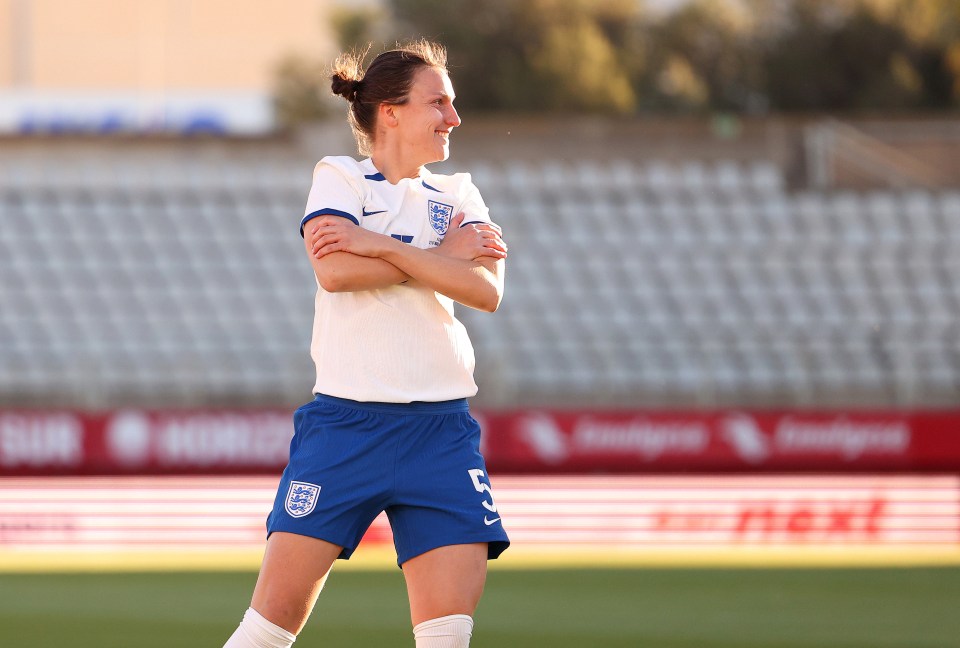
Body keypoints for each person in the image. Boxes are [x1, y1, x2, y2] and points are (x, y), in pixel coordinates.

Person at [223, 39, 510, 648]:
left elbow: (484, 291)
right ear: (391, 111)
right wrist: (436, 259)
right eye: (438, 102)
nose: (453, 117)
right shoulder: (340, 176)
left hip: (442, 433)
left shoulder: (459, 194)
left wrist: (378, 245)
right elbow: (336, 274)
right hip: (346, 427)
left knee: (446, 639)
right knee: (266, 634)